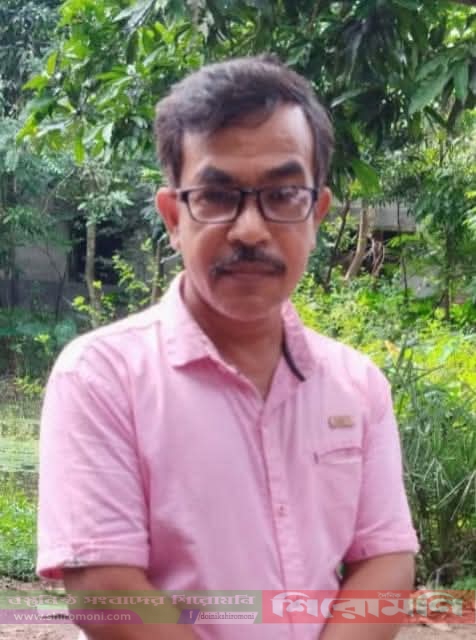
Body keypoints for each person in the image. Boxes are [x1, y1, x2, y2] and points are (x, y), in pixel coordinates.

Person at [37, 55, 419, 640]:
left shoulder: (357, 384)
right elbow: (105, 589)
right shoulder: (101, 377)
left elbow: (386, 559)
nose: (249, 229)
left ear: (316, 213)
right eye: (216, 197)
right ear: (173, 217)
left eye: (283, 194)